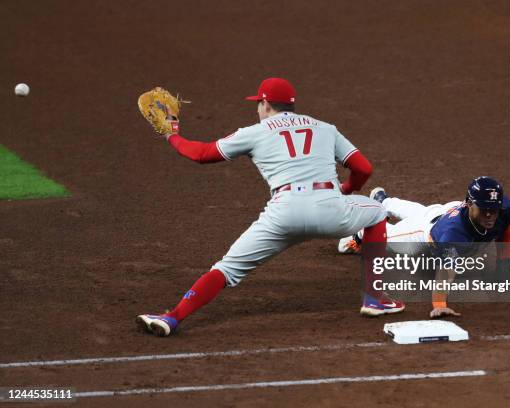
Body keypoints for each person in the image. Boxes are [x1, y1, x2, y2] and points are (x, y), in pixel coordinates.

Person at [136, 78, 405, 336]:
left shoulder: (253, 132)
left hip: (283, 214)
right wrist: (345, 190)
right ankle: (374, 298)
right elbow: (363, 168)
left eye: (258, 104)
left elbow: (201, 154)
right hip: (331, 209)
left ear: (265, 104)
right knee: (376, 212)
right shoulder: (325, 128)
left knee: (225, 269)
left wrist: (172, 134)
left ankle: (173, 317)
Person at [337, 176, 510, 318]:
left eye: (494, 208)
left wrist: (504, 260)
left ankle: (384, 201)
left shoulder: (503, 210)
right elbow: (446, 271)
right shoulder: (453, 234)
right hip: (422, 236)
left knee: (424, 211)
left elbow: (504, 226)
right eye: (484, 209)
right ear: (469, 204)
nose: (491, 214)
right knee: (390, 238)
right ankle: (362, 233)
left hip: (443, 213)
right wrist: (439, 305)